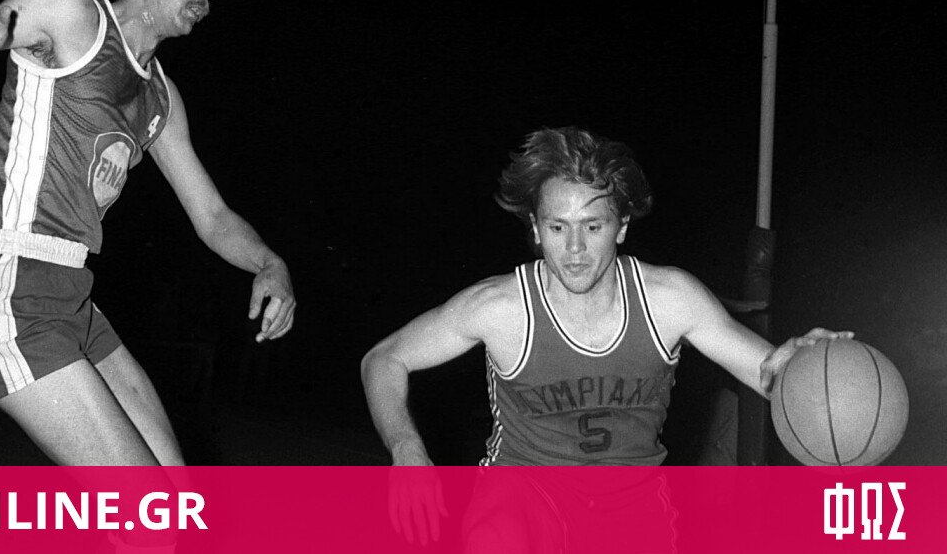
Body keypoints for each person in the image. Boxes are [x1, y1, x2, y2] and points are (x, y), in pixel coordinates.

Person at [0, 0, 294, 474]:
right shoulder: (70, 13)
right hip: (11, 289)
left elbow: (213, 216)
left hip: (74, 303)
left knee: (176, 497)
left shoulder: (160, 95)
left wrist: (269, 263)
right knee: (147, 509)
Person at [360, 126, 851, 551]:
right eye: (557, 227)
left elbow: (768, 374)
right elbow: (384, 359)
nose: (574, 249)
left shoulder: (668, 299)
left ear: (621, 227)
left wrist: (800, 363)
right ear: (535, 229)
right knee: (498, 534)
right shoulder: (501, 308)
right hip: (526, 491)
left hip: (632, 504)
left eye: (592, 226)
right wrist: (407, 450)